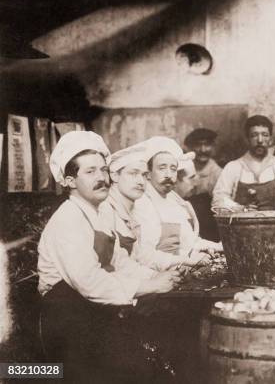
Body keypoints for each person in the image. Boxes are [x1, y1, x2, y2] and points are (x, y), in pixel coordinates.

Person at [38, 131, 181, 383]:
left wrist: (159, 276)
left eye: (103, 170)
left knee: (154, 357)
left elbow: (118, 261)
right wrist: (148, 285)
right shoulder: (68, 219)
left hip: (94, 311)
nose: (102, 178)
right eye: (90, 172)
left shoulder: (101, 212)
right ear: (70, 181)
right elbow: (89, 281)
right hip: (67, 319)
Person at [133, 136, 219, 271]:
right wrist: (187, 261)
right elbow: (144, 257)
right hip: (156, 276)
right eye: (162, 168)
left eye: (173, 169)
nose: (168, 174)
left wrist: (219, 247)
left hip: (180, 270)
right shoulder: (142, 203)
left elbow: (189, 241)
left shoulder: (173, 200)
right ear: (148, 174)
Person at [213, 115, 275, 211]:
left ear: (270, 139)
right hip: (240, 225)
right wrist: (241, 209)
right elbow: (218, 200)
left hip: (273, 225)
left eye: (265, 135)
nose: (260, 140)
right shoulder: (233, 167)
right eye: (254, 135)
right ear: (247, 139)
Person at [98, 143, 150, 256]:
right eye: (133, 173)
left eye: (144, 175)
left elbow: (140, 257)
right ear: (114, 176)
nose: (141, 181)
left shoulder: (133, 211)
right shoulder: (105, 210)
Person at [183, 128, 222, 241]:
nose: (203, 150)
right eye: (198, 145)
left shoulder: (218, 173)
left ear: (213, 147)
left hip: (209, 228)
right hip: (185, 222)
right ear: (190, 148)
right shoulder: (183, 169)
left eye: (207, 145)